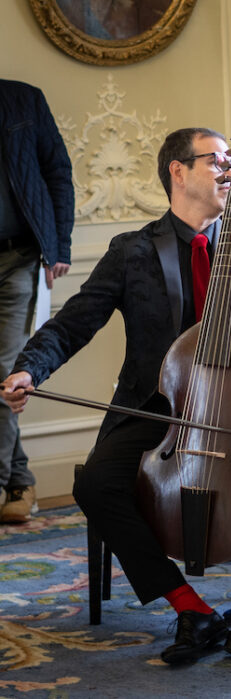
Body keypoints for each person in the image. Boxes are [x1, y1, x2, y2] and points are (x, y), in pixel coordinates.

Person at [0, 127, 231, 666]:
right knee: (95, 483)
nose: (229, 169)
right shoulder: (132, 250)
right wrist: (28, 370)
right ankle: (190, 608)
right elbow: (73, 323)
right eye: (217, 160)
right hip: (158, 409)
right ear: (178, 171)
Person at [0, 80, 74, 524]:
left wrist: (59, 245)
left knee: (8, 375)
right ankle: (20, 481)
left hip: (22, 259)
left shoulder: (23, 98)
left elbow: (57, 171)